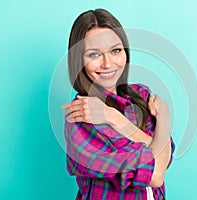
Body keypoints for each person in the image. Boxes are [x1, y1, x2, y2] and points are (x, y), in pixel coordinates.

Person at [61, 8, 175, 200]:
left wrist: (161, 118)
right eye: (94, 55)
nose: (108, 63)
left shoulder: (140, 95)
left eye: (115, 50)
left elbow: (167, 157)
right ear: (78, 60)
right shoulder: (80, 119)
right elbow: (155, 175)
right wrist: (162, 122)